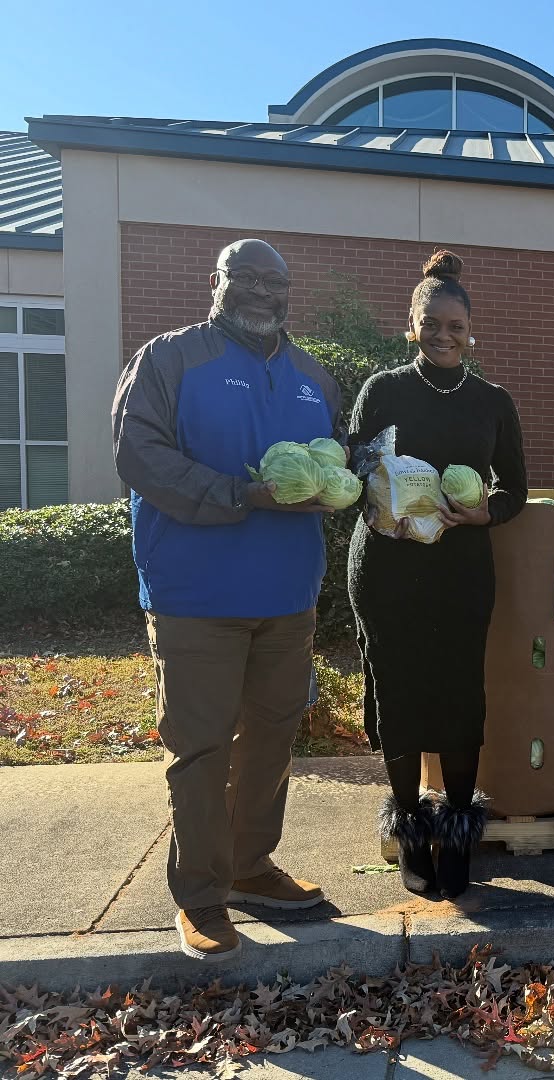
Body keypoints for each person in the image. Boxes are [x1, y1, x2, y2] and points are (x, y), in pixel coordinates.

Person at [113, 238, 345, 962]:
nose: (259, 291)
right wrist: (238, 495)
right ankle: (201, 895)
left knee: (273, 740)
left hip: (287, 594)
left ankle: (251, 866)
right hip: (196, 594)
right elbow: (138, 454)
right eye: (242, 276)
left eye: (272, 281)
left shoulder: (315, 377)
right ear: (214, 283)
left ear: (287, 293)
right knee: (201, 746)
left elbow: (335, 465)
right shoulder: (170, 359)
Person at [351, 250, 527, 900]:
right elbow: (355, 468)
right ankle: (411, 832)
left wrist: (483, 515)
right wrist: (384, 505)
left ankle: (456, 833)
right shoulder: (384, 389)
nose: (444, 336)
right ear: (411, 325)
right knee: (398, 696)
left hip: (460, 572)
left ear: (471, 330)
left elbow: (515, 489)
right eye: (433, 324)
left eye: (456, 326)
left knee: (458, 698)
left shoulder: (492, 401)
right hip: (389, 568)